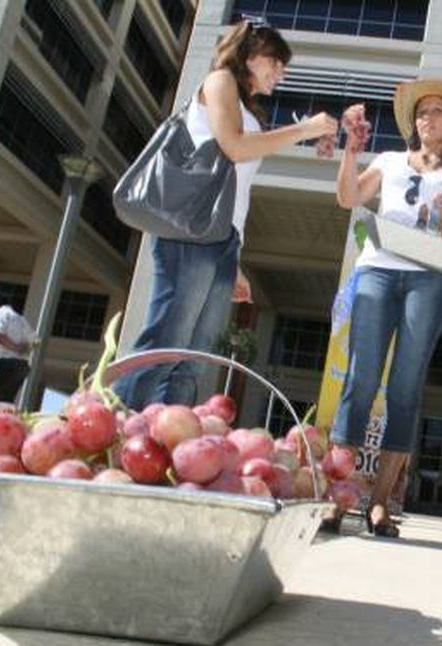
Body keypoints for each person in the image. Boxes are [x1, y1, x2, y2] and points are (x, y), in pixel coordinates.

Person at [114, 19, 337, 410]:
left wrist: (233, 262)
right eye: (275, 62)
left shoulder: (249, 109)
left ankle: (167, 441)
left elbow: (236, 190)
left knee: (195, 359)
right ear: (250, 56)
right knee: (168, 338)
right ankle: (116, 429)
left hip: (221, 238)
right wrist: (301, 132)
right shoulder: (220, 82)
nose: (280, 73)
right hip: (192, 232)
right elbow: (233, 147)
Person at [328, 79, 442, 537]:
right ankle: (338, 496)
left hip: (430, 276)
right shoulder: (391, 160)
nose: (426, 118)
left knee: (406, 385)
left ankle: (380, 503)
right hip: (378, 266)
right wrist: (351, 151)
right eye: (421, 112)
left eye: (436, 111)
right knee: (360, 378)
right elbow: (348, 198)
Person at [0, 293, 34, 406]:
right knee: (6, 401)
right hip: (22, 366)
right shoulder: (20, 318)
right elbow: (35, 341)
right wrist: (24, 348)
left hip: (5, 364)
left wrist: (15, 348)